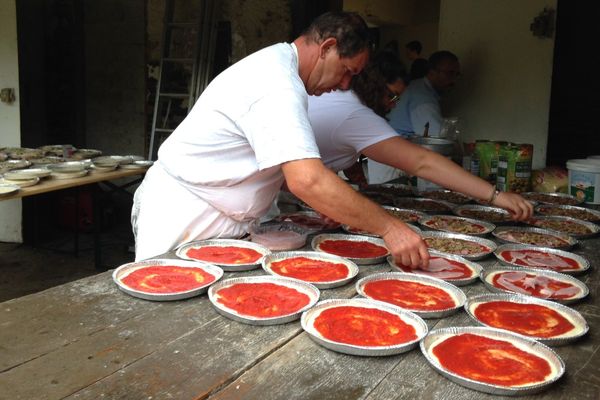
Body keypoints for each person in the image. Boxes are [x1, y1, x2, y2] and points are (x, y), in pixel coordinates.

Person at [132, 12, 430, 269]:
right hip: (185, 216)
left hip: (220, 217)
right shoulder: (278, 85)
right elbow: (307, 180)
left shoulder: (281, 69)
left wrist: (328, 200)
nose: (344, 84)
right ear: (327, 47)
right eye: (346, 72)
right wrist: (391, 228)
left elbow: (281, 169)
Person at [307, 50, 533, 223]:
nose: (392, 105)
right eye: (392, 96)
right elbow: (422, 162)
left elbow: (332, 145)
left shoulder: (340, 99)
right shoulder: (356, 114)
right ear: (375, 86)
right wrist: (496, 196)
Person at [388, 50, 460, 137]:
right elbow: (436, 140)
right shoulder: (423, 99)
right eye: (450, 73)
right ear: (432, 72)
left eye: (457, 74)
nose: (454, 80)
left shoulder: (416, 85)